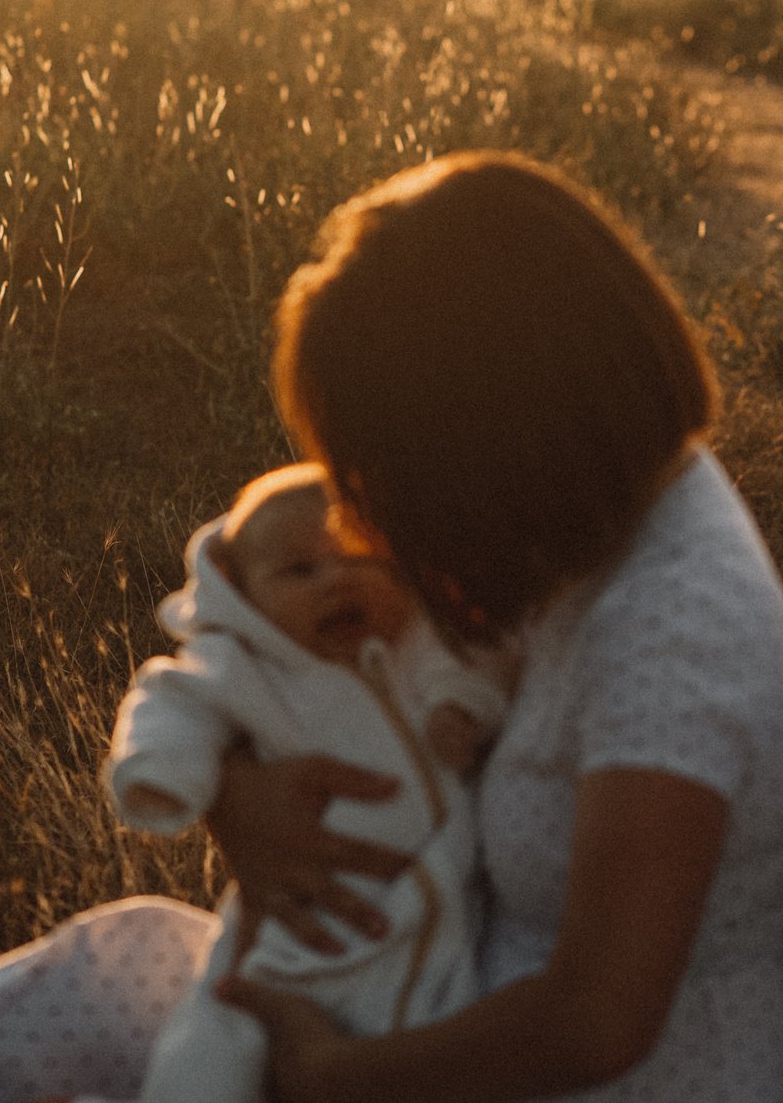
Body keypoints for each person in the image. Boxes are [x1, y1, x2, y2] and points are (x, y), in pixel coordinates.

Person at [0, 151, 783, 1103]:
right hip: (425, 992)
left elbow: (594, 1023)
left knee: (140, 1000)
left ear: (502, 419)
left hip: (521, 1070)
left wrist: (326, 1075)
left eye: (389, 469)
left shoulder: (674, 630)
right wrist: (232, 792)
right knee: (105, 968)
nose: (371, 514)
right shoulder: (597, 504)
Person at [104, 463, 512, 1103]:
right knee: (218, 1041)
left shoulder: (419, 643)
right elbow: (171, 701)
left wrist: (461, 711)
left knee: (427, 1038)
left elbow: (476, 666)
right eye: (301, 571)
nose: (339, 578)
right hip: (294, 929)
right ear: (246, 598)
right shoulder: (243, 665)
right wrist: (162, 773)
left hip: (430, 913)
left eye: (364, 559)